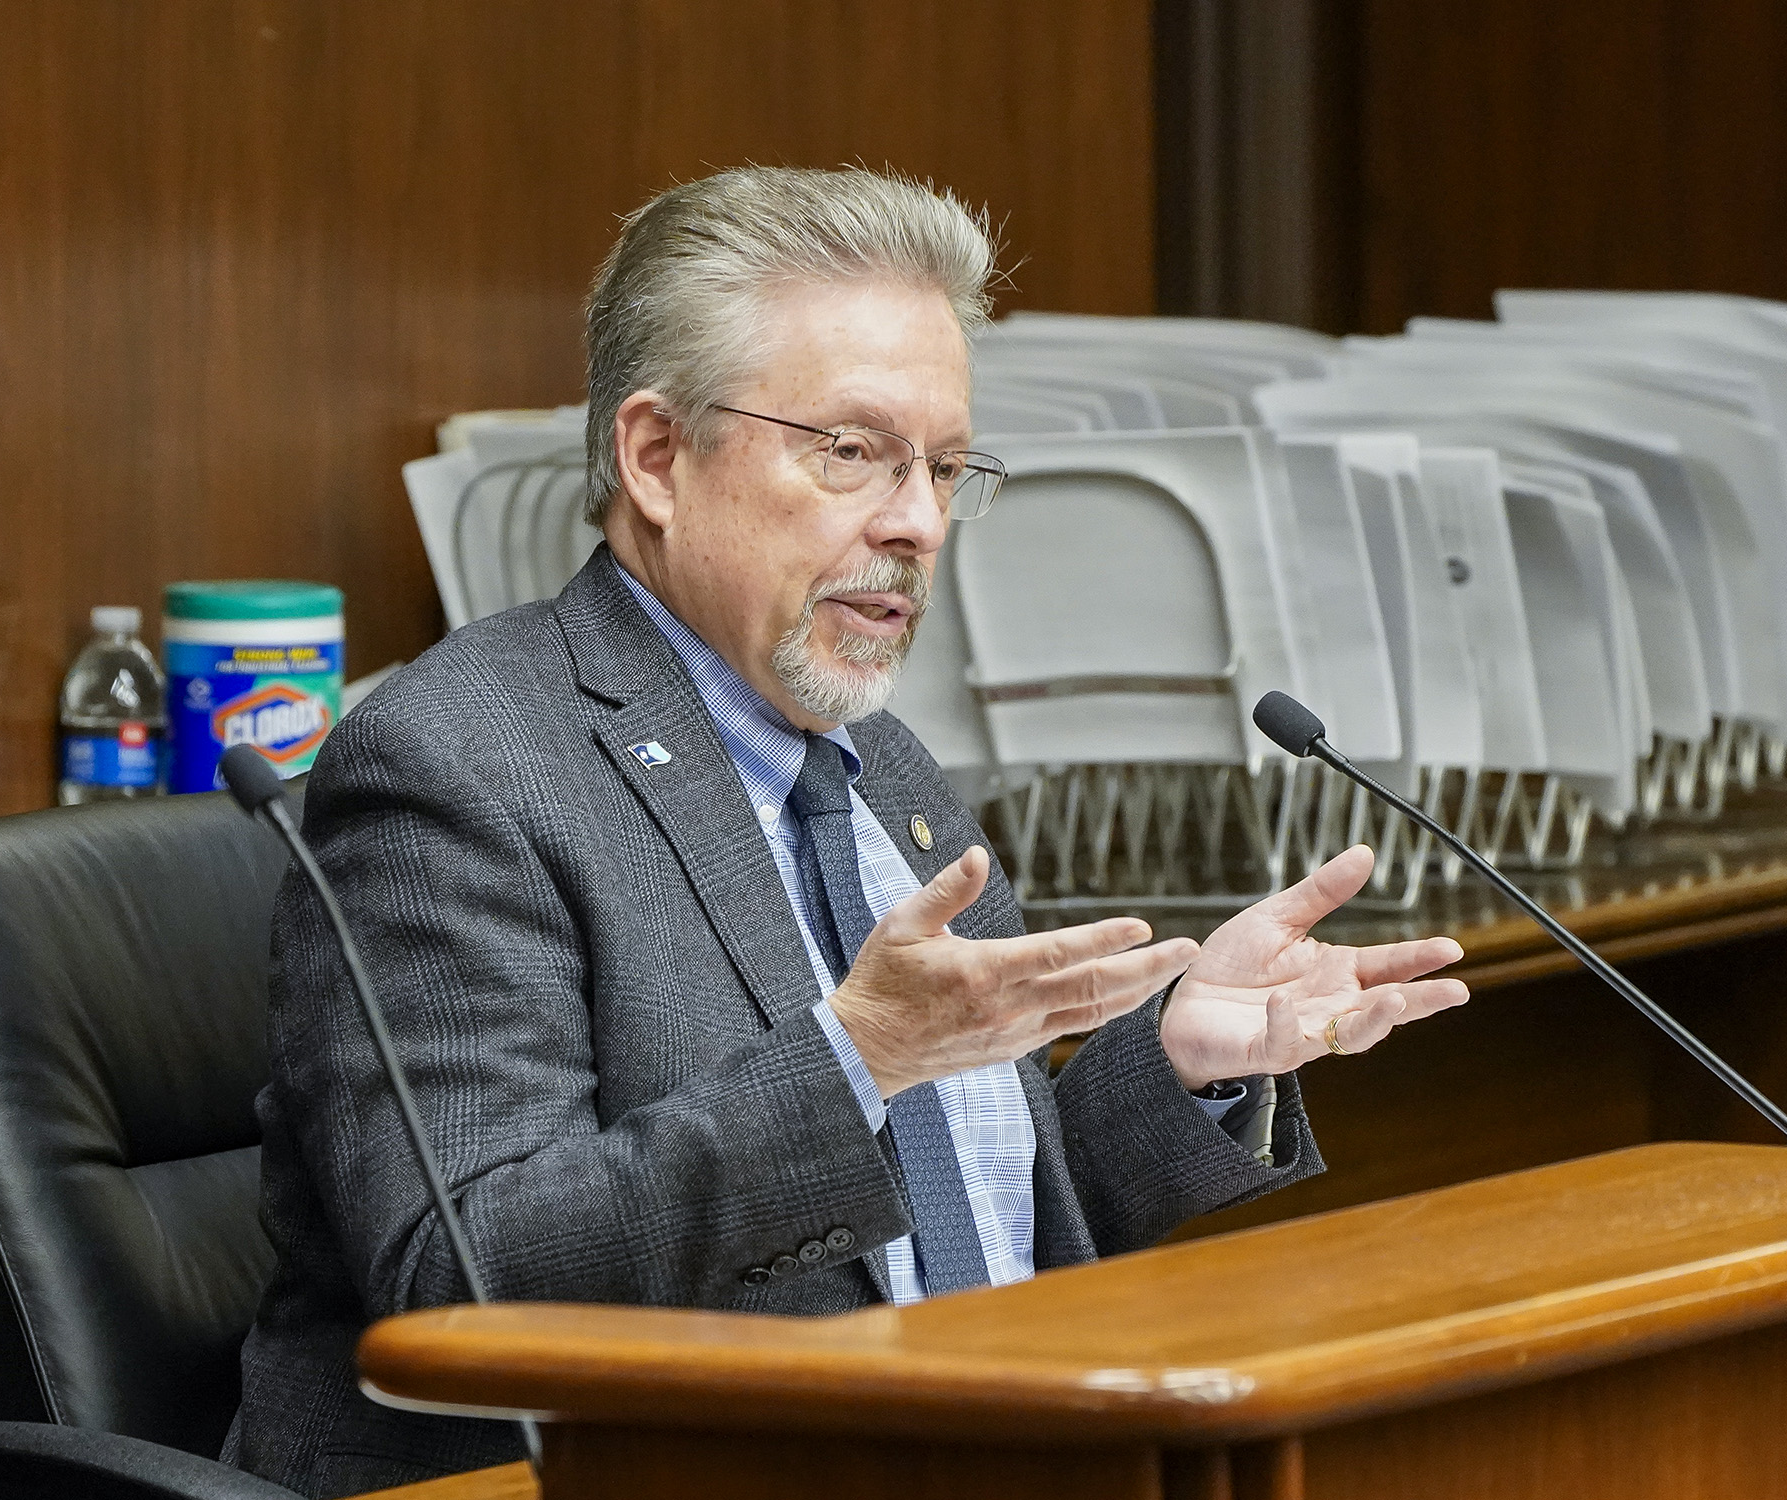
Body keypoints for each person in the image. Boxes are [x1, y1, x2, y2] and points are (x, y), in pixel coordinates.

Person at [226, 166, 1469, 1497]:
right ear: (658, 457)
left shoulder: (880, 767)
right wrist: (858, 1060)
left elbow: (977, 1245)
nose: (919, 524)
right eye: (853, 453)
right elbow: (464, 1275)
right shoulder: (457, 766)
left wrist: (1176, 1062)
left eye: (945, 467)